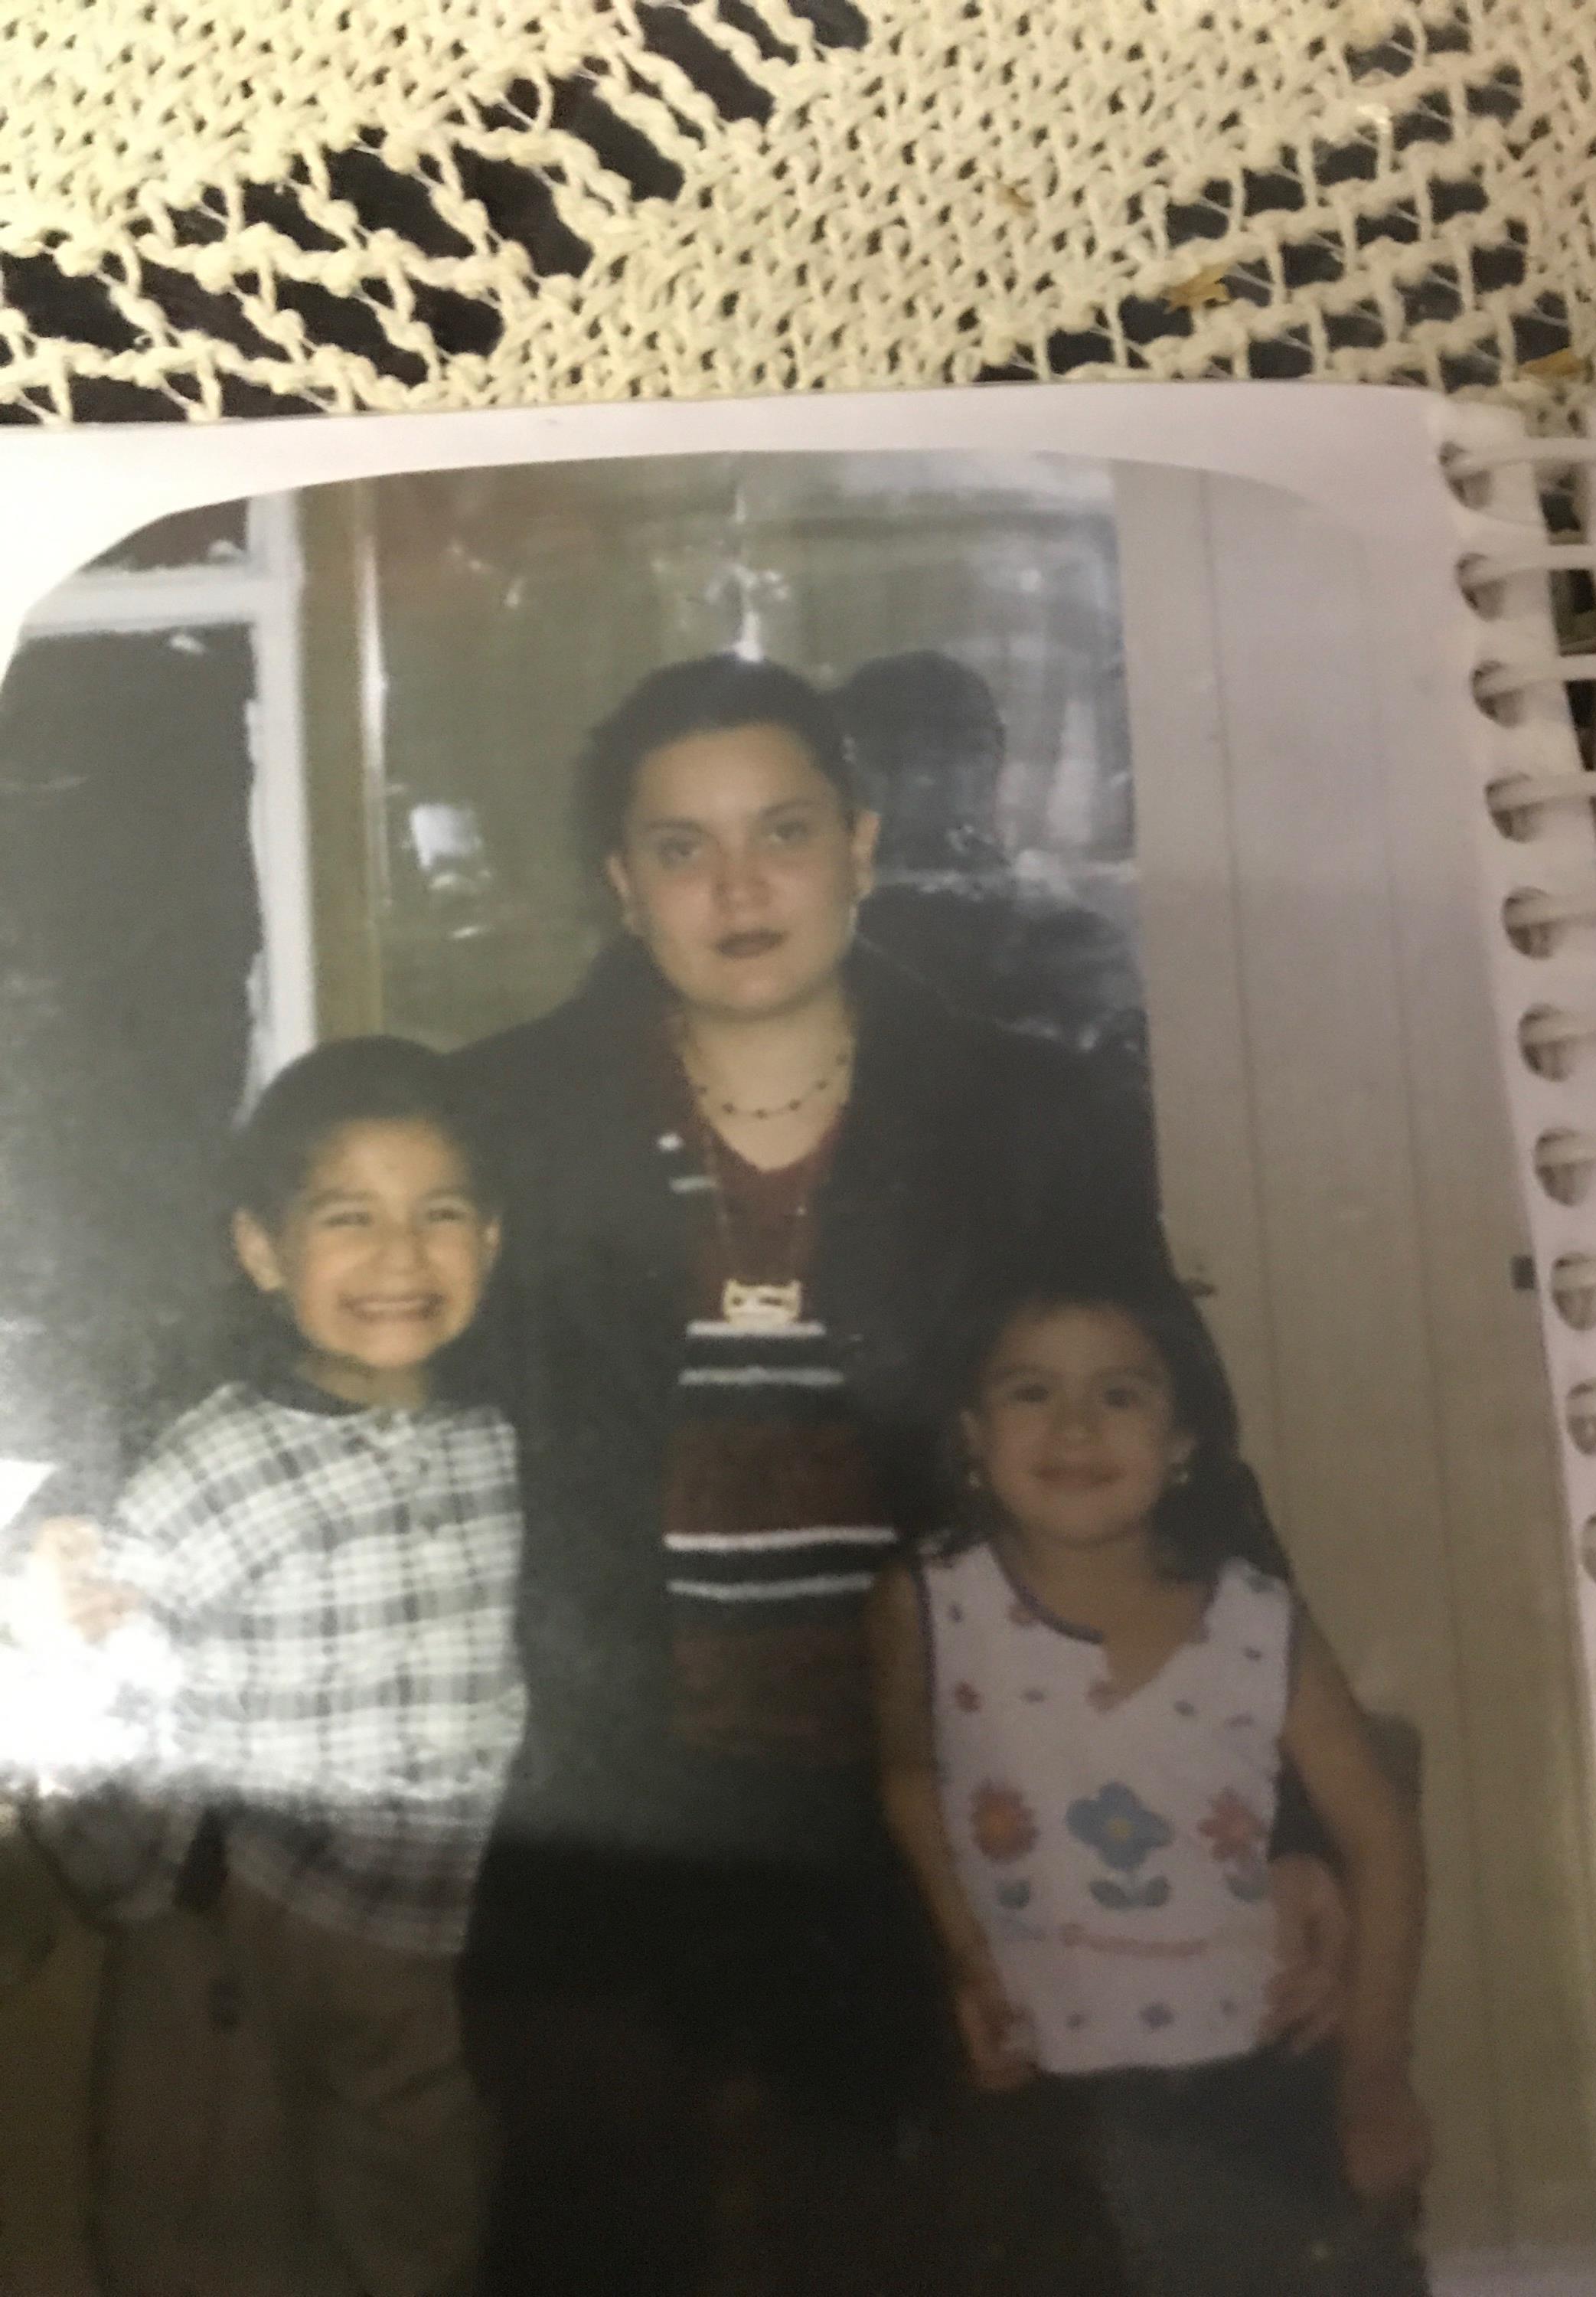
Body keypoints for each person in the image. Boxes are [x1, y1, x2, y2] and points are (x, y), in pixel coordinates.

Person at [451, 654, 1343, 2295]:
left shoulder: (1030, 1106)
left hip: (954, 1786)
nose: (738, 887)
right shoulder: (499, 1115)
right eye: (680, 846)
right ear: (619, 885)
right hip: (614, 1797)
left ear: (862, 843)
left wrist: (1285, 1811)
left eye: (782, 830)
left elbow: (1178, 1450)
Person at [31, 1035, 525, 2297]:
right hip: (239, 1922)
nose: (401, 1258)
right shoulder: (223, 1462)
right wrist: (135, 1890)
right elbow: (109, 1663)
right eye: (348, 1217)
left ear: (494, 1242)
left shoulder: (501, 1444)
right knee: (204, 2222)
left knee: (417, 2218)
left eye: (441, 1215)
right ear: (264, 1251)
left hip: (419, 1930)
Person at [868, 1280, 1432, 2297]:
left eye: (1120, 1394)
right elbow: (909, 1779)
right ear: (970, 1431)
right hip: (1040, 2088)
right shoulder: (925, 1604)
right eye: (1030, 1392)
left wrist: (1374, 2075)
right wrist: (965, 1954)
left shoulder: (1259, 1620)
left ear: (1182, 1442)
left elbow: (1380, 1837)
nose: (1075, 1426)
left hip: (1251, 2080)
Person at [838, 650, 1147, 1078]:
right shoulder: (824, 935)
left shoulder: (1066, 940)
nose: (926, 779)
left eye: (958, 752)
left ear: (996, 754)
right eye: (895, 758)